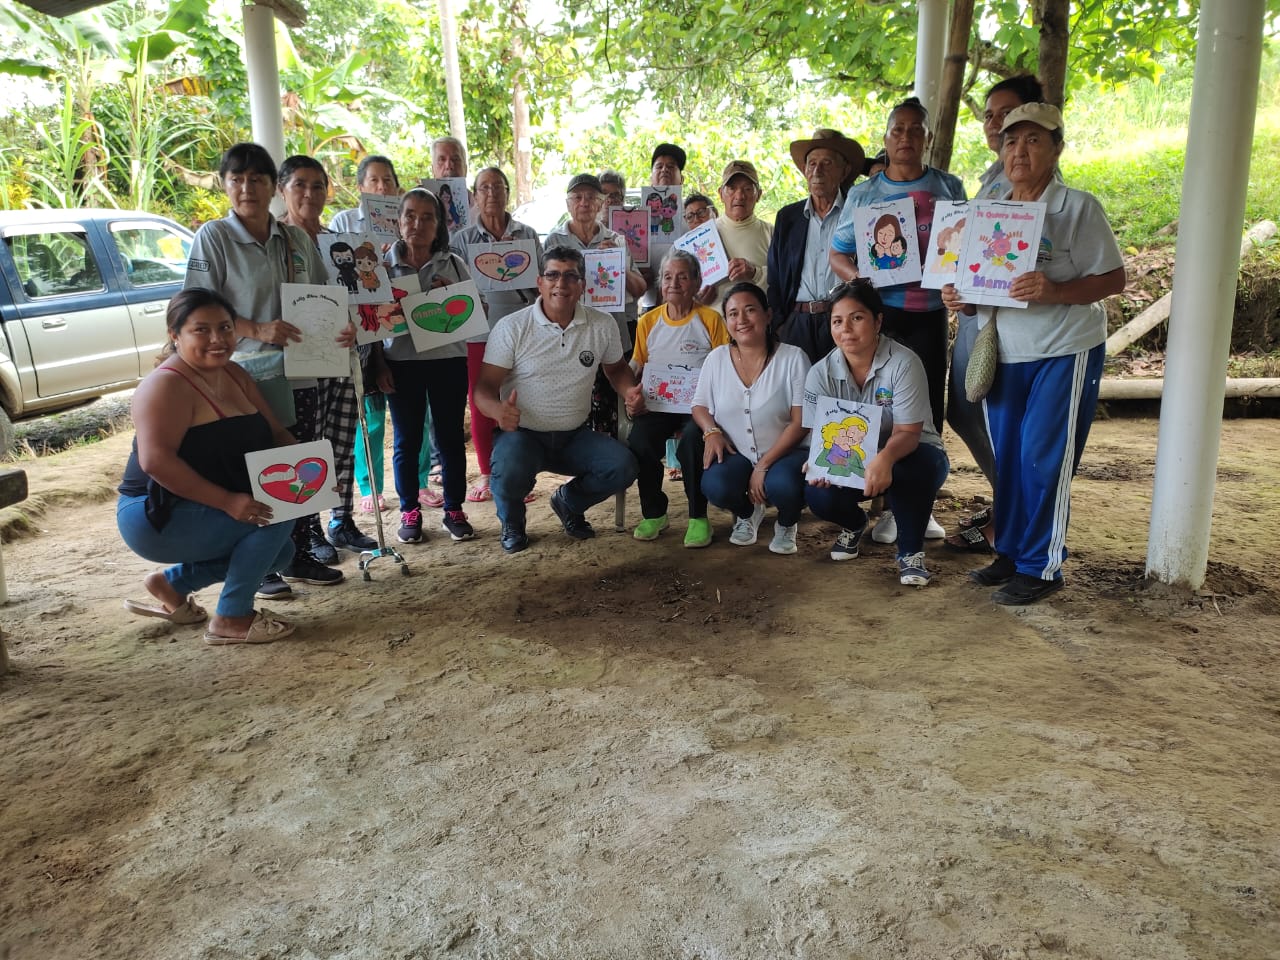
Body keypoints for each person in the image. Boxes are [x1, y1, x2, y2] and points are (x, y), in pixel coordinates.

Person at [942, 103, 1126, 605]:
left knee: (1044, 458)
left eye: (1033, 140)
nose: (1019, 151)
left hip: (1063, 349)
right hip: (1006, 351)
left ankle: (1042, 567)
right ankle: (1010, 552)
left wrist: (1055, 290)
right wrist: (961, 297)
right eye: (1010, 141)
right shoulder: (990, 209)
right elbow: (981, 283)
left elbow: (1114, 278)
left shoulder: (1077, 207)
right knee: (1010, 459)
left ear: (1056, 148)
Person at [183, 142, 345, 597]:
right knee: (254, 469)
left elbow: (323, 296)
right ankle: (263, 566)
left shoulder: (295, 240)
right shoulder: (214, 237)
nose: (246, 188)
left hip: (302, 370)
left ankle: (299, 553)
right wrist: (255, 328)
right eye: (236, 179)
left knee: (300, 462)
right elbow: (195, 305)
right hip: (242, 375)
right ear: (224, 184)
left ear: (273, 186)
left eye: (256, 179)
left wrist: (341, 326)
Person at [117, 288, 298, 644]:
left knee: (282, 551)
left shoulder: (235, 373)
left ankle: (173, 584)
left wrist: (314, 474)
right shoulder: (165, 385)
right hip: (154, 512)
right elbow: (156, 462)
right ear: (175, 334)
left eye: (225, 328)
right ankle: (232, 617)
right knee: (274, 515)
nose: (217, 339)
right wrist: (227, 501)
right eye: (201, 330)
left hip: (201, 505)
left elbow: (277, 433)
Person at [829, 96, 965, 546]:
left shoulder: (948, 186)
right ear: (886, 139)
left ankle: (918, 507)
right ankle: (880, 501)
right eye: (898, 129)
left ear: (928, 137)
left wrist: (957, 281)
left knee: (925, 413)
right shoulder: (864, 194)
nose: (906, 137)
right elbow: (838, 253)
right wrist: (859, 283)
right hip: (880, 318)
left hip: (929, 314)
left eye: (915, 129)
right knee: (876, 408)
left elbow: (963, 246)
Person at [474, 246, 642, 554]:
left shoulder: (602, 324)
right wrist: (498, 411)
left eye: (570, 276)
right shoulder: (512, 327)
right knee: (509, 469)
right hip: (522, 437)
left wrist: (629, 391)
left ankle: (569, 502)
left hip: (574, 436)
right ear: (539, 282)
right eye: (552, 275)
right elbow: (483, 388)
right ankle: (512, 522)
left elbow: (617, 369)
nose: (561, 284)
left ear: (582, 285)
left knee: (623, 466)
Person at [944, 75, 1050, 556]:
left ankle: (1012, 516)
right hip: (975, 312)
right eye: (989, 115)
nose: (994, 124)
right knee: (966, 412)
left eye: (1005, 114)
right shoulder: (993, 176)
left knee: (997, 419)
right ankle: (1007, 503)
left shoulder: (1033, 186)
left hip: (1006, 323)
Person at [803, 280, 949, 586]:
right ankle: (855, 524)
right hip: (854, 458)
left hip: (910, 451)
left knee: (913, 467)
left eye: (856, 318)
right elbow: (821, 433)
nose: (846, 329)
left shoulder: (904, 363)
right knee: (817, 492)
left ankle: (910, 553)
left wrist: (884, 458)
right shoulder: (819, 373)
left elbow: (909, 432)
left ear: (878, 321)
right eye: (837, 321)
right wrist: (817, 461)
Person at [330, 155, 445, 514]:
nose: (381, 187)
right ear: (360, 186)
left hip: (405, 334)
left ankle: (420, 482)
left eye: (388, 181)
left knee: (417, 417)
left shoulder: (410, 221)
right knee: (371, 415)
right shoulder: (344, 222)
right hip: (365, 331)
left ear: (397, 186)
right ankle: (370, 486)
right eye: (374, 181)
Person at [276, 155, 378, 556]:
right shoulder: (277, 243)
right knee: (309, 448)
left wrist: (358, 329)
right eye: (299, 185)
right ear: (282, 190)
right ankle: (309, 530)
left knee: (341, 442)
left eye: (317, 185)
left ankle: (341, 521)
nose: (309, 193)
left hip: (345, 357)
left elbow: (365, 299)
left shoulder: (340, 241)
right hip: (299, 363)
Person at [368, 188, 476, 545]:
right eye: (410, 215)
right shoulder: (382, 268)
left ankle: (454, 509)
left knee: (450, 439)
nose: (418, 223)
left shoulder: (454, 264)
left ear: (438, 224)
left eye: (427, 217)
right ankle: (409, 510)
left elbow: (477, 312)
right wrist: (379, 364)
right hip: (401, 363)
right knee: (407, 441)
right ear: (398, 222)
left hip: (448, 361)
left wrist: (454, 295)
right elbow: (371, 323)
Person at [690, 282, 809, 555]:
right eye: (733, 314)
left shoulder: (793, 358)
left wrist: (763, 466)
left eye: (750, 310)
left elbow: (801, 421)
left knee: (784, 486)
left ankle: (787, 522)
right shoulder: (716, 358)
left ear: (768, 315)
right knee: (716, 486)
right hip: (739, 452)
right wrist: (711, 431)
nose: (741, 320)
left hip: (787, 453)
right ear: (726, 321)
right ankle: (748, 512)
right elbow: (699, 405)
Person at [450, 166, 545, 503]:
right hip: (479, 332)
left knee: (521, 399)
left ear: (507, 192)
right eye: (484, 187)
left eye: (498, 186)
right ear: (475, 196)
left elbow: (542, 283)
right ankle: (488, 474)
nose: (491, 193)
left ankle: (520, 476)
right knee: (482, 401)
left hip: (523, 330)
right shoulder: (462, 240)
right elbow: (452, 287)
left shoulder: (526, 234)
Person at [627, 248, 730, 547]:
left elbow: (724, 365)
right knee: (640, 441)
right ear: (660, 283)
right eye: (668, 277)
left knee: (691, 442)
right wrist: (630, 392)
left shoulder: (710, 319)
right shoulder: (648, 321)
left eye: (683, 277)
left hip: (699, 407)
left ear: (697, 282)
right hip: (658, 404)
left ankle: (698, 517)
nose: (674, 283)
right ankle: (654, 513)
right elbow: (636, 365)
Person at [545, 173, 647, 436]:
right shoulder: (554, 241)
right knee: (572, 408)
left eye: (591, 197)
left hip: (610, 335)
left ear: (601, 203)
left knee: (610, 410)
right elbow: (544, 291)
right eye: (577, 197)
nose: (584, 203)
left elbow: (639, 289)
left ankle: (607, 457)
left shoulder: (616, 239)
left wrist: (616, 262)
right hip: (569, 337)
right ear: (568, 204)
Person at [768, 129, 865, 363]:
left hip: (845, 321)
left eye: (827, 163)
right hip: (797, 323)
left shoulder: (858, 213)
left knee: (844, 383)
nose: (817, 171)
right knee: (798, 385)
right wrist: (780, 325)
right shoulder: (788, 217)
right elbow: (775, 277)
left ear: (844, 171)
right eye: (811, 164)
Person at [699, 161, 773, 313]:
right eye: (732, 189)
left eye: (747, 189)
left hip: (758, 324)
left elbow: (786, 279)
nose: (739, 196)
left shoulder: (773, 233)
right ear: (720, 194)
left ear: (759, 194)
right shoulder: (702, 236)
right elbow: (685, 286)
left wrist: (755, 273)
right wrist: (697, 297)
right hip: (713, 323)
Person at [639, 143, 688, 311]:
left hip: (687, 302)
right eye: (659, 166)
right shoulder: (636, 217)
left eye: (671, 166)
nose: (664, 170)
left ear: (682, 179)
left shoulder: (693, 214)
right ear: (651, 178)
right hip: (650, 303)